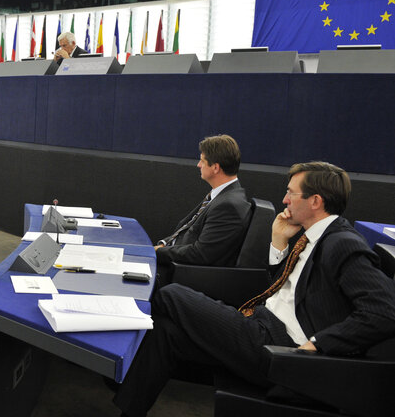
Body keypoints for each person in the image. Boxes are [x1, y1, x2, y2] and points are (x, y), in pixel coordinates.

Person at [113, 161, 395, 417]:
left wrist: (320, 343)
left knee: (171, 294)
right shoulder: (311, 237)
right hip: (259, 323)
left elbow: (384, 311)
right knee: (165, 332)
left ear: (316, 201)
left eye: (291, 193)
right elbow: (289, 288)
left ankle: (110, 322)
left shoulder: (343, 242)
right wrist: (278, 243)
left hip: (279, 348)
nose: (284, 199)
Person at [154, 134, 251, 270]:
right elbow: (186, 228)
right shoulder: (222, 195)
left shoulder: (228, 206)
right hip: (172, 256)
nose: (198, 165)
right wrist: (164, 244)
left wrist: (157, 252)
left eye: (202, 161)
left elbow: (200, 254)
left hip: (182, 271)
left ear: (215, 168)